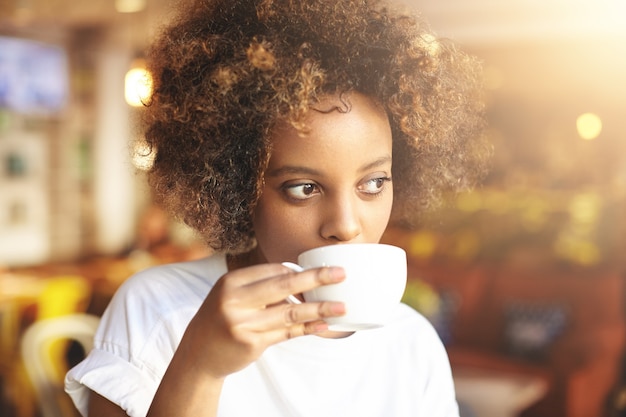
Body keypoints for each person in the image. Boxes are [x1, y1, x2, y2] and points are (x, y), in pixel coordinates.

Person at [65, 0, 490, 416]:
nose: (345, 225)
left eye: (373, 183)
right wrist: (200, 367)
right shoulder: (160, 309)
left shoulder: (412, 342)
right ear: (236, 186)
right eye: (303, 188)